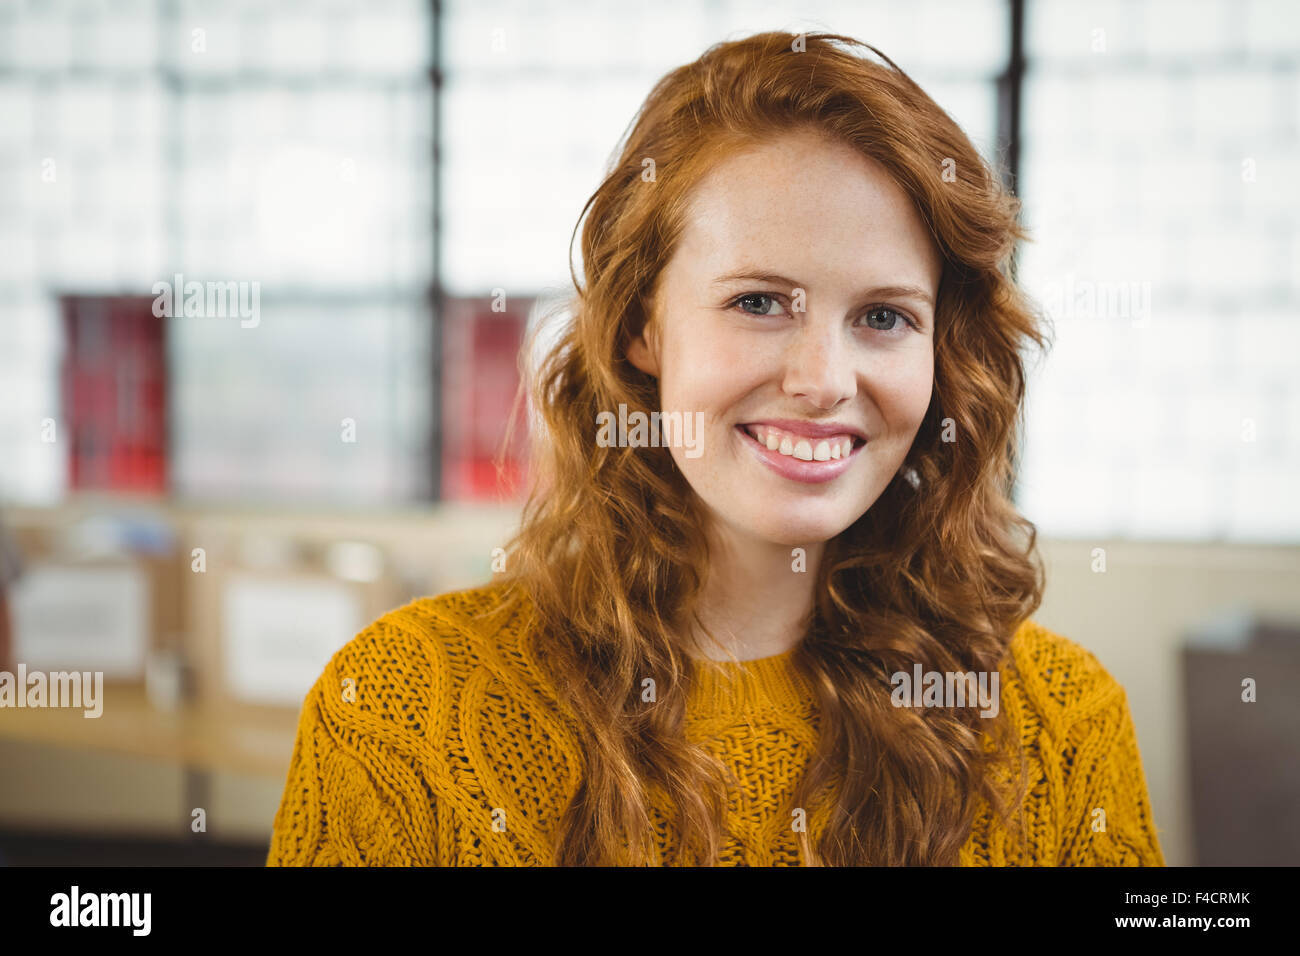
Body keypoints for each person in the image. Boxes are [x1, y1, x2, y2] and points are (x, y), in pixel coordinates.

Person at [267, 31, 1165, 866]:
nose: (823, 379)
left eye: (884, 317)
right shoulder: (399, 712)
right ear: (640, 328)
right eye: (759, 302)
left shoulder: (1064, 724)